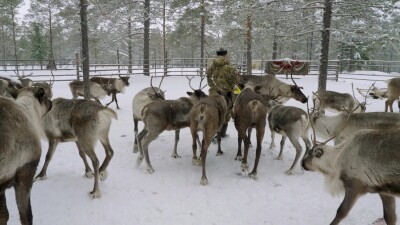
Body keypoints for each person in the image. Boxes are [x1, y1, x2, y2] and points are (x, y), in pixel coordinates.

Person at [206, 48, 240, 139]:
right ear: (226, 55)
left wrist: (214, 87)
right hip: (226, 95)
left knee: (213, 114)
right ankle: (221, 135)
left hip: (213, 94)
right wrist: (237, 93)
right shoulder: (231, 68)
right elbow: (237, 82)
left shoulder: (211, 66)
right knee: (225, 114)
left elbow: (209, 80)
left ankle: (211, 134)